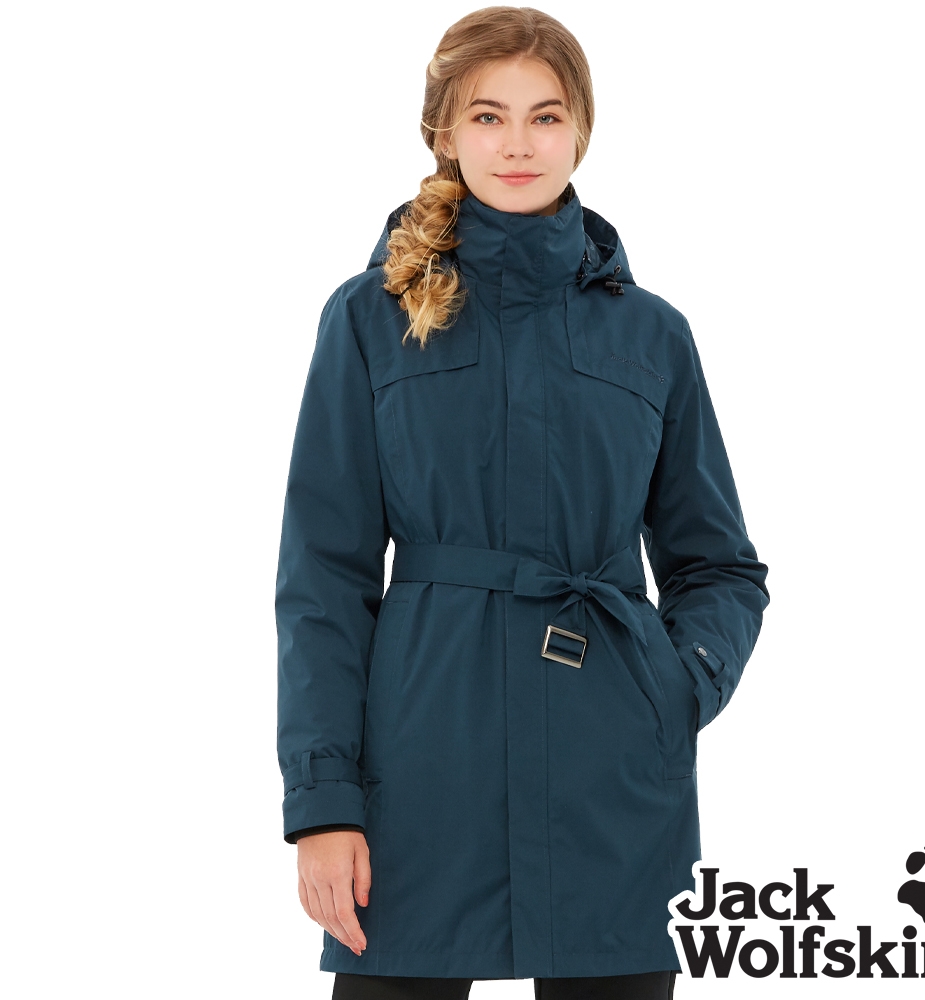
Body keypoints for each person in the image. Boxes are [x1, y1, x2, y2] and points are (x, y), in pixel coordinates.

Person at [275, 7, 769, 999]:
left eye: (545, 116)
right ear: (444, 132)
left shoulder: (653, 336)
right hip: (422, 772)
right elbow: (323, 575)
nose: (517, 144)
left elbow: (718, 565)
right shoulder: (371, 317)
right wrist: (323, 801)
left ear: (580, 130)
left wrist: (677, 689)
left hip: (612, 780)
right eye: (487, 116)